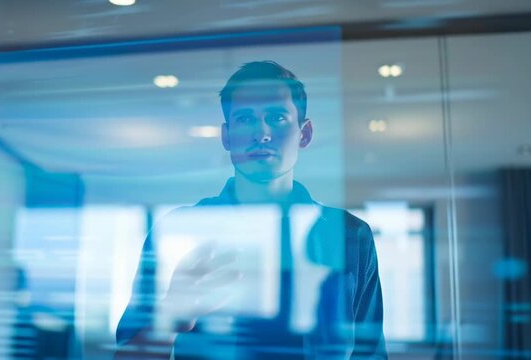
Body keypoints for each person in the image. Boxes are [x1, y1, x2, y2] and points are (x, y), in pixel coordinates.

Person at [115, 61, 386, 359]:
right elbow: (127, 355)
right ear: (227, 136)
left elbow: (370, 354)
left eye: (277, 117)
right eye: (245, 119)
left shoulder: (349, 235)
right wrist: (170, 316)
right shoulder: (178, 229)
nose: (262, 133)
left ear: (304, 133)